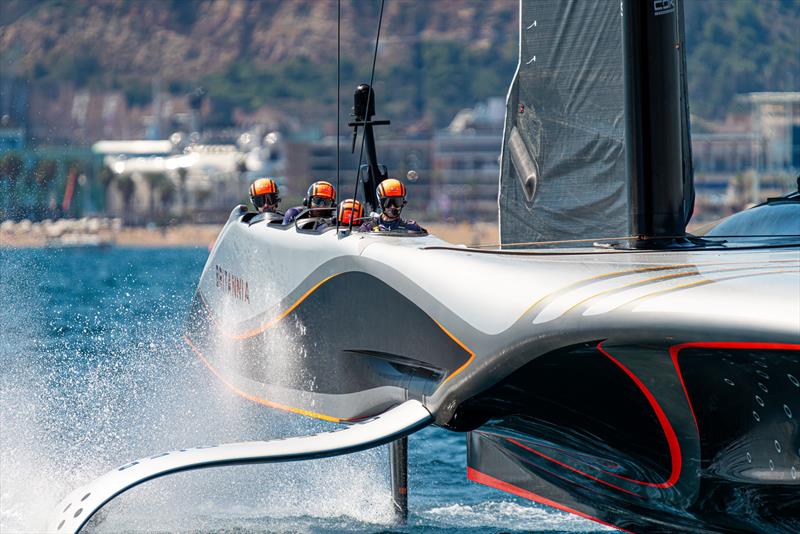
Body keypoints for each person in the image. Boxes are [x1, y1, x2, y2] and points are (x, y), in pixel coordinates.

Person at [359, 178, 425, 233]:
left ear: (403, 203)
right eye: (388, 202)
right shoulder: (368, 228)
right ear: (380, 203)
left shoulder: (412, 227)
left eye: (397, 202)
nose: (392, 207)